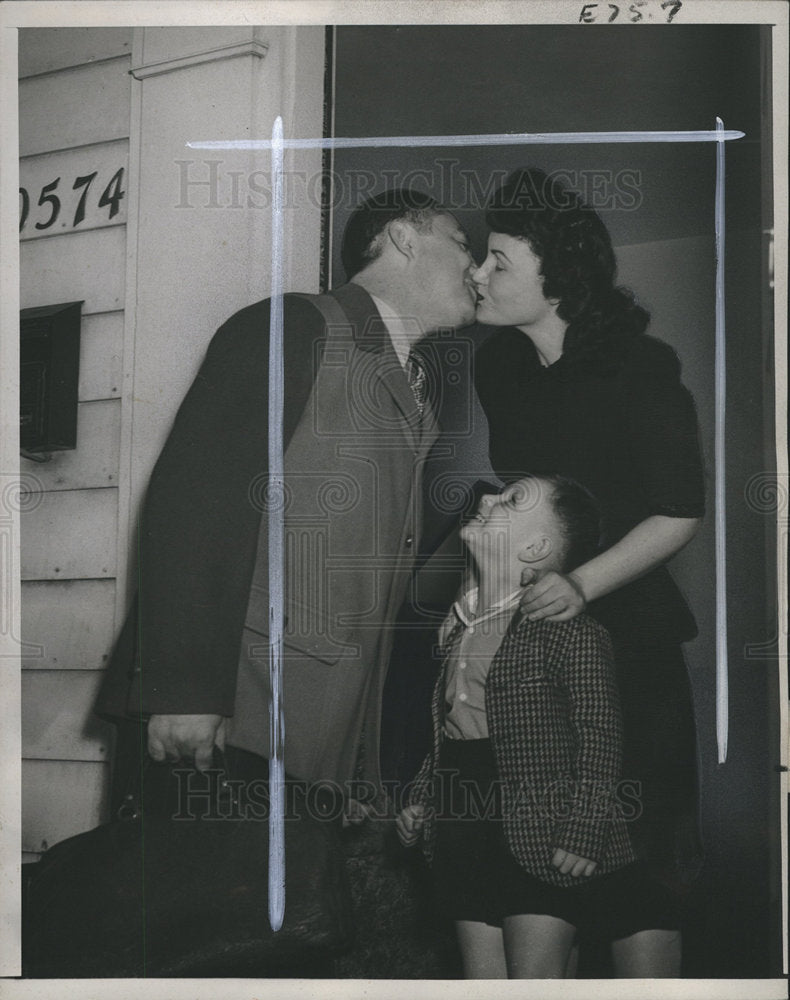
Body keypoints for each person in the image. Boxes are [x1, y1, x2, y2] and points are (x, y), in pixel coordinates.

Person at [96, 188, 478, 808]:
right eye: (461, 242)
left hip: (314, 739)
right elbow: (196, 500)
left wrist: (358, 758)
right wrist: (186, 691)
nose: (475, 263)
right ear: (405, 237)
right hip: (231, 719)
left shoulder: (413, 389)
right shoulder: (295, 326)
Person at [470, 167, 705, 973]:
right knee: (542, 881)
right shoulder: (497, 369)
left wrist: (581, 587)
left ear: (558, 275)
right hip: (537, 654)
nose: (478, 274)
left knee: (639, 885)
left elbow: (679, 511)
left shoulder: (642, 366)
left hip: (631, 651)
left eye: (498, 261)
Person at [397, 475, 672, 978]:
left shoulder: (573, 633)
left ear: (536, 547)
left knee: (535, 982)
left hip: (540, 831)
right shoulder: (457, 625)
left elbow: (600, 738)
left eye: (511, 500)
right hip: (463, 828)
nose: (486, 499)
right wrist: (423, 796)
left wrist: (585, 829)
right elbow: (448, 730)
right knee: (484, 983)